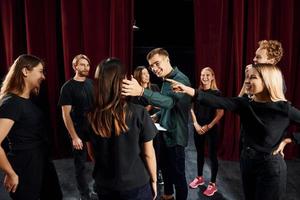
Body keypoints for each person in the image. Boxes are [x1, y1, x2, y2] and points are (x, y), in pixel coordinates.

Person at [168, 63, 300, 200]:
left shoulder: (284, 109)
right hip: (247, 161)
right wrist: (187, 90)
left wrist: (289, 140)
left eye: (253, 77)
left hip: (271, 167)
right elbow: (217, 101)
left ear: (268, 81)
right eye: (247, 77)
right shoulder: (245, 104)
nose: (247, 81)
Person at [122, 48, 192, 200]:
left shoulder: (181, 79)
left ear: (167, 60)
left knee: (178, 176)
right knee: (166, 169)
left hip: (176, 136)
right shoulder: (166, 81)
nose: (154, 68)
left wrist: (141, 91)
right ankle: (167, 196)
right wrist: (156, 116)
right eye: (151, 66)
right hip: (165, 132)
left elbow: (169, 102)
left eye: (156, 63)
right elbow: (170, 107)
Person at [86, 58, 157, 200]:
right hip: (136, 185)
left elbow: (92, 153)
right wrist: (154, 180)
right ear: (122, 81)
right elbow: (149, 154)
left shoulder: (90, 116)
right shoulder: (139, 112)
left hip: (105, 185)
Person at [0, 54, 62, 200]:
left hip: (41, 163)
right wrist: (10, 173)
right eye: (40, 71)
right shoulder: (11, 103)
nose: (43, 77)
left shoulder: (25, 101)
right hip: (27, 168)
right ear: (25, 71)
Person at [58, 54, 95, 200]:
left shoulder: (91, 83)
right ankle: (84, 195)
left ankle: (98, 186)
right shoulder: (67, 87)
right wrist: (74, 137)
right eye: (82, 65)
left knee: (98, 158)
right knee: (80, 165)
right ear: (75, 67)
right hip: (78, 129)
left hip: (93, 128)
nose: (86, 68)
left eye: (87, 65)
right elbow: (66, 115)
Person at [188, 67, 224, 197]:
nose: (204, 77)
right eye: (202, 75)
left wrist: (208, 126)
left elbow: (220, 113)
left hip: (211, 128)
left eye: (207, 75)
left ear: (213, 77)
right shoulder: (197, 92)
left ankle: (212, 184)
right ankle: (199, 178)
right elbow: (191, 109)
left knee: (213, 156)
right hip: (198, 127)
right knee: (200, 153)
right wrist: (196, 124)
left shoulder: (217, 93)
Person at [131, 66, 164, 184]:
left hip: (155, 124)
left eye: (147, 73)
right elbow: (133, 111)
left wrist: (155, 107)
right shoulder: (133, 92)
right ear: (138, 76)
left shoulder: (154, 87)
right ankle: (143, 171)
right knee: (141, 149)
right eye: (144, 74)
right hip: (139, 126)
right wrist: (149, 107)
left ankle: (157, 171)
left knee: (157, 148)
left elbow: (161, 105)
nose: (147, 75)